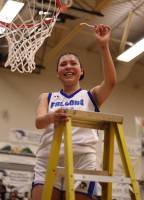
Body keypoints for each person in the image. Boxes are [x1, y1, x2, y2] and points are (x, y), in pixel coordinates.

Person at [32, 24, 117, 200]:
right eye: (63, 64)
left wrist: (103, 46)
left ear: (81, 71)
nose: (68, 66)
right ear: (58, 73)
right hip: (49, 157)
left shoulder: (91, 95)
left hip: (82, 158)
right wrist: (51, 117)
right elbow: (39, 122)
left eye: (73, 63)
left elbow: (110, 82)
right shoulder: (46, 97)